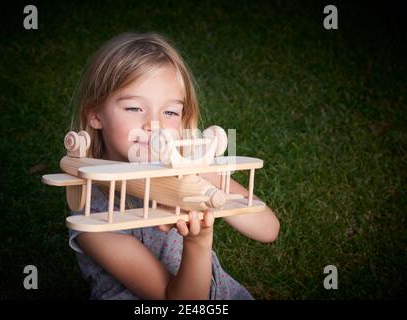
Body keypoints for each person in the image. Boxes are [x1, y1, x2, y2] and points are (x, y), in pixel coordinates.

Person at [68, 32, 280, 300]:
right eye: (134, 108)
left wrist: (198, 170)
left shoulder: (189, 172)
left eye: (169, 112)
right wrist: (198, 242)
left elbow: (268, 229)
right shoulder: (92, 212)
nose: (153, 124)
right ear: (96, 115)